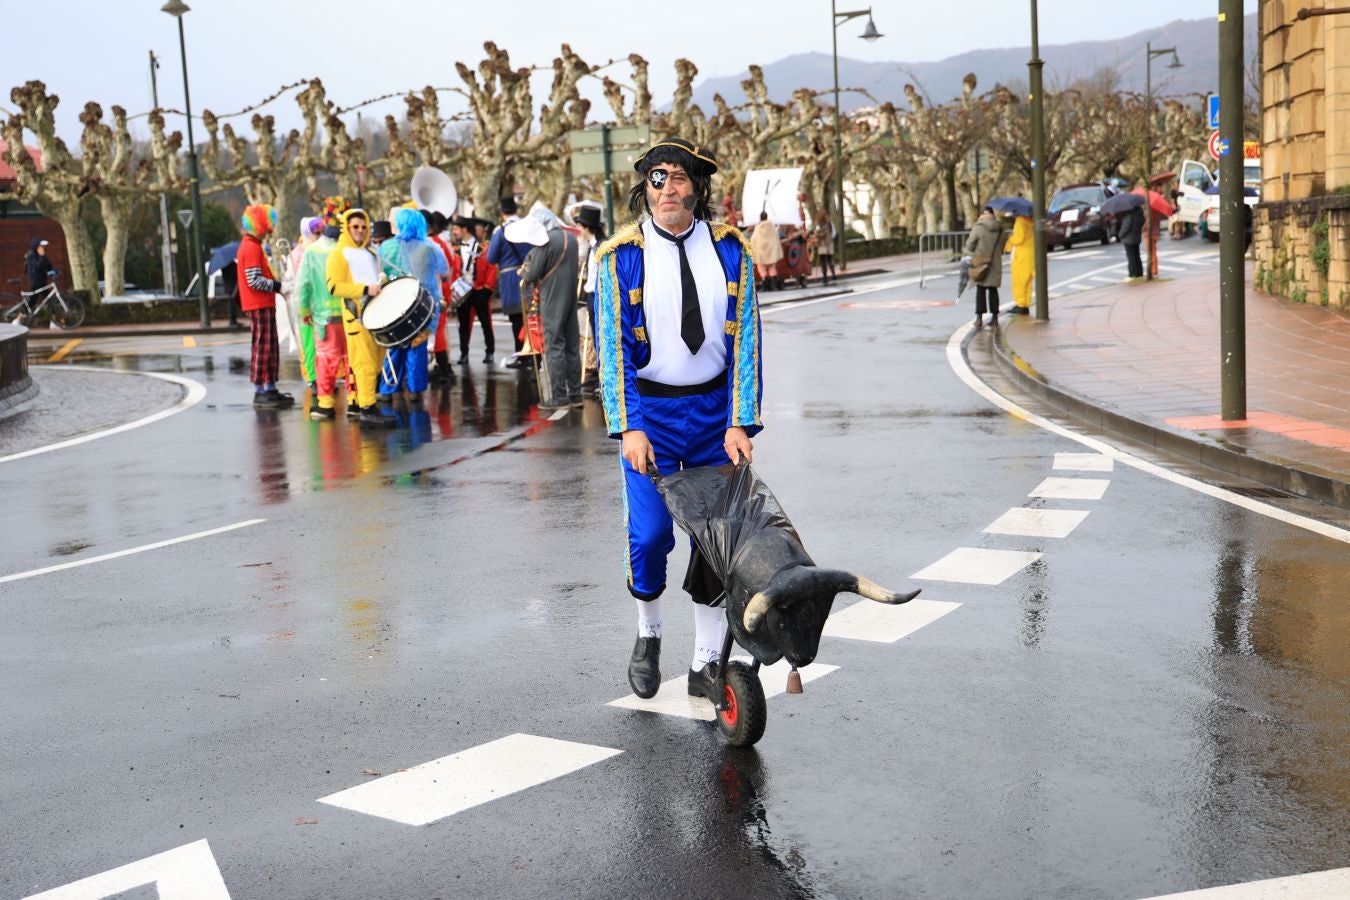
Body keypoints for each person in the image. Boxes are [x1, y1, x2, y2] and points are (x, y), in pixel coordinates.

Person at [594, 136, 763, 703]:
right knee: (649, 536)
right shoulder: (620, 257)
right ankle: (648, 635)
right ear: (645, 189)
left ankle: (706, 660)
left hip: (716, 417)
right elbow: (614, 349)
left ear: (699, 186)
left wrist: (740, 421)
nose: (667, 186)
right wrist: (630, 426)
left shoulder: (732, 251)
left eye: (679, 176)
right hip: (652, 417)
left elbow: (748, 345)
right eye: (657, 177)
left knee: (717, 542)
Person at [326, 209, 397, 428]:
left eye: (363, 227)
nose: (360, 231)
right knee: (364, 363)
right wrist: (366, 289)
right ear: (346, 228)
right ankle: (367, 408)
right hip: (356, 317)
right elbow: (334, 286)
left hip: (377, 315)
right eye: (355, 227)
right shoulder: (338, 255)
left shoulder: (372, 253)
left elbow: (377, 279)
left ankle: (368, 403)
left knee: (376, 362)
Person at [378, 207, 449, 404]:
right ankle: (416, 390)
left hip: (394, 302)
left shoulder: (386, 247)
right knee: (417, 346)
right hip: (422, 305)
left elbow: (380, 272)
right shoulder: (430, 247)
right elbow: (444, 273)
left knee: (394, 346)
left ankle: (387, 388)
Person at [519, 209, 581, 409]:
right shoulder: (570, 238)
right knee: (572, 346)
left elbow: (532, 273)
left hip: (552, 299)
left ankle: (559, 396)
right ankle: (575, 393)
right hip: (571, 297)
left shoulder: (545, 241)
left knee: (554, 346)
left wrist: (525, 271)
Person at [236, 204, 295, 410]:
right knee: (263, 347)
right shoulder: (251, 247)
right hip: (258, 303)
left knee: (269, 347)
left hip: (261, 303)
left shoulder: (251, 245)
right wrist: (279, 286)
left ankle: (269, 387)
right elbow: (254, 280)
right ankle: (261, 389)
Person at [299, 201, 348, 419]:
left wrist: (304, 311)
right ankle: (357, 403)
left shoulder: (312, 252)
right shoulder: (349, 249)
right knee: (351, 360)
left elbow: (304, 285)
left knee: (326, 360)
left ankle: (325, 404)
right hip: (351, 314)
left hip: (324, 317)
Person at [486, 196, 530, 363]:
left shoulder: (501, 231)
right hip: (528, 273)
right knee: (529, 317)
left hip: (510, 277)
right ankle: (531, 354)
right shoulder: (527, 226)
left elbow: (491, 257)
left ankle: (520, 354)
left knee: (516, 319)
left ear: (502, 212)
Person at [452, 214, 497, 367]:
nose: (454, 232)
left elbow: (492, 268)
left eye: (457, 228)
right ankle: (464, 353)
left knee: (485, 322)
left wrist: (487, 290)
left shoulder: (484, 248)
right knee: (463, 324)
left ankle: (489, 351)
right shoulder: (455, 249)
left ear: (465, 229)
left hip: (480, 289)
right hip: (462, 290)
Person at [282, 216, 323, 387]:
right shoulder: (298, 253)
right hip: (302, 305)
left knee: (321, 342)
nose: (319, 236)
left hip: (319, 303)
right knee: (306, 342)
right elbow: (293, 282)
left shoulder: (320, 250)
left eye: (321, 232)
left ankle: (321, 376)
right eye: (316, 232)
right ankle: (311, 377)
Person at [574, 204, 606, 398]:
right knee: (597, 338)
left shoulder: (601, 246)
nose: (579, 230)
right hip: (591, 296)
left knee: (602, 339)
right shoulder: (593, 246)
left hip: (598, 296)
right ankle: (602, 381)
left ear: (587, 227)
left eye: (580, 226)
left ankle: (604, 382)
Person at [964, 206, 1007, 330]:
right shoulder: (1000, 228)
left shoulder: (979, 226)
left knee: (980, 290)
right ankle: (995, 318)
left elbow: (970, 244)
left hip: (981, 261)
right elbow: (1002, 245)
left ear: (982, 214)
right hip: (995, 261)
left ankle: (979, 318)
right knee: (993, 290)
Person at [1005, 213, 1034, 314]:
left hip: (1021, 255)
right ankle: (1026, 303)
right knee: (1027, 282)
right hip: (1030, 253)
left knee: (1019, 281)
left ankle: (1020, 304)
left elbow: (1019, 238)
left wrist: (1009, 238)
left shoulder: (1020, 221)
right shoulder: (1031, 221)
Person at [749, 211, 783, 291]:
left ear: (760, 218)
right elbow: (776, 237)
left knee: (762, 267)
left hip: (761, 250)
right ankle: (774, 285)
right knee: (772, 267)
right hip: (771, 250)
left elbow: (754, 239)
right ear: (767, 217)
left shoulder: (758, 227)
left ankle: (765, 285)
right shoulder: (772, 227)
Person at [1115, 203, 1145, 280]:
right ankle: (1139, 273)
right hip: (1136, 238)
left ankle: (1132, 274)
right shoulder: (1140, 215)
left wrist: (1120, 235)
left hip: (1128, 239)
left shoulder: (1129, 216)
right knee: (1137, 256)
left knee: (1131, 257)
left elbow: (1125, 228)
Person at [810, 212, 836, 285]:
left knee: (823, 261)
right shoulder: (830, 223)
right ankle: (833, 274)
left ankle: (825, 277)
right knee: (830, 259)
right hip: (829, 243)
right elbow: (833, 233)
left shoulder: (818, 225)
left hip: (822, 245)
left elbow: (816, 234)